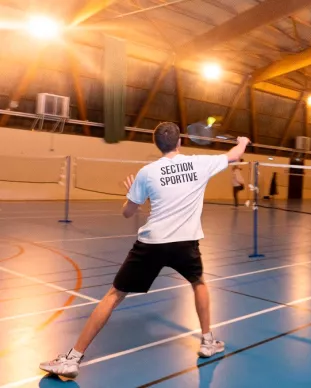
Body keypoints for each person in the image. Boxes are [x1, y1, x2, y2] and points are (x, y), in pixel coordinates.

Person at [39, 122, 251, 378]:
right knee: (199, 283)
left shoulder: (147, 173)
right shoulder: (199, 163)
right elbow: (235, 155)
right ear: (179, 142)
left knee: (114, 295)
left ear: (156, 144)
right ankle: (207, 341)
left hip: (152, 244)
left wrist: (131, 196)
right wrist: (243, 141)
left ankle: (72, 359)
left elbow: (128, 213)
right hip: (186, 243)